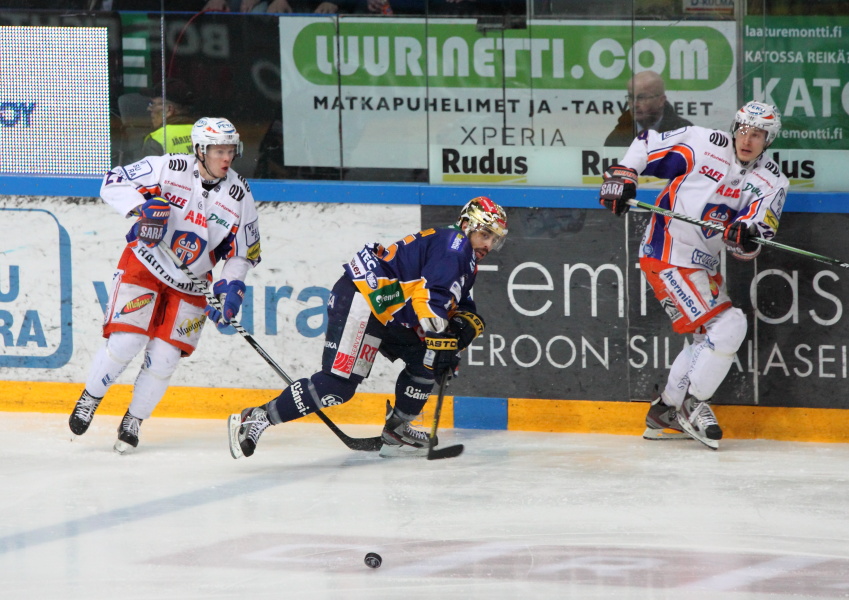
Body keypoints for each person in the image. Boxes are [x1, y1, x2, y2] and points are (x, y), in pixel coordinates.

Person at [228, 197, 508, 459]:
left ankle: (397, 432)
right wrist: (439, 337)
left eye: (494, 239)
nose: (488, 244)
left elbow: (456, 302)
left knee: (426, 362)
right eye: (485, 234)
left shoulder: (461, 254)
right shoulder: (456, 246)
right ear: (466, 225)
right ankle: (257, 417)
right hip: (363, 299)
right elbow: (428, 297)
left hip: (388, 309)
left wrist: (461, 328)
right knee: (336, 387)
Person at [598, 101, 788, 449]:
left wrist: (744, 235)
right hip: (666, 251)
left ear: (768, 140)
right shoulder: (706, 143)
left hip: (703, 264)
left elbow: (756, 235)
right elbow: (645, 143)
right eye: (744, 129)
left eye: (758, 134)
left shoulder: (772, 180)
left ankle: (666, 410)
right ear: (735, 128)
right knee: (730, 325)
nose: (748, 139)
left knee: (710, 339)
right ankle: (691, 404)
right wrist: (625, 175)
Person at [69, 117, 262, 453]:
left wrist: (232, 287)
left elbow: (243, 253)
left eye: (230, 150)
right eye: (218, 150)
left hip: (191, 283)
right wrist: (142, 209)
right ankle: (91, 397)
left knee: (164, 359)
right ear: (200, 150)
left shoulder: (239, 193)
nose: (226, 157)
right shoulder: (169, 167)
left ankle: (134, 420)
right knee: (127, 340)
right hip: (146, 263)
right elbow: (112, 182)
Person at [604, 70, 693, 147]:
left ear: (661, 101)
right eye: (631, 97)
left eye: (641, 97)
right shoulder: (617, 137)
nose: (634, 104)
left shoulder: (685, 133)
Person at [141, 79, 196, 157]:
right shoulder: (205, 133)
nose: (149, 109)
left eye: (152, 104)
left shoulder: (157, 139)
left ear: (169, 110)